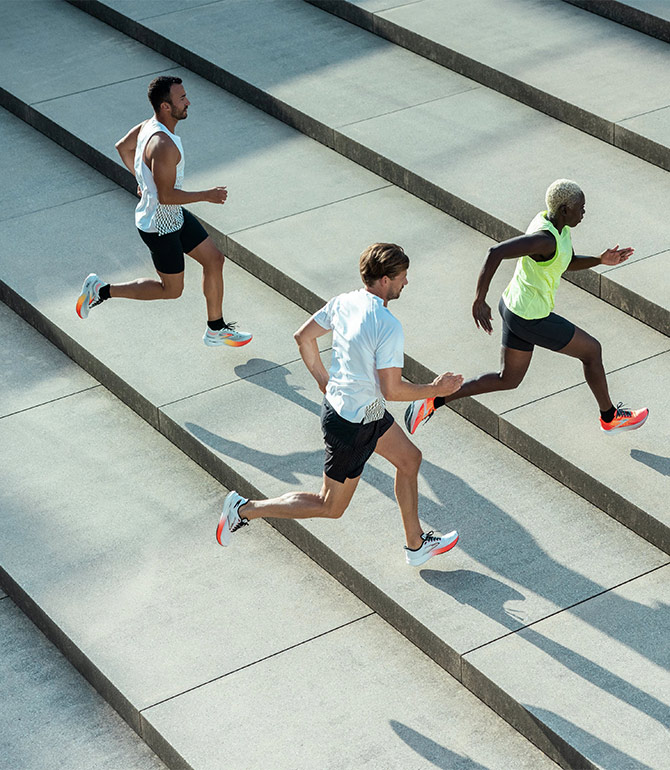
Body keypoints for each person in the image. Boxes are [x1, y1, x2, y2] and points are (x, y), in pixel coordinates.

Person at [216, 243, 464, 566]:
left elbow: (303, 338)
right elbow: (392, 389)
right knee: (329, 506)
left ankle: (416, 545)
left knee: (410, 460)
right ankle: (243, 509)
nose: (407, 282)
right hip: (351, 426)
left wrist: (322, 379)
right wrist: (435, 388)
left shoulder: (345, 302)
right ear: (386, 280)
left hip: (361, 411)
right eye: (403, 276)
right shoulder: (387, 326)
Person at [405, 179, 648, 435]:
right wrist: (479, 299)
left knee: (508, 379)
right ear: (564, 209)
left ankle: (434, 399)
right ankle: (610, 417)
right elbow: (495, 252)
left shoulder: (556, 227)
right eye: (581, 207)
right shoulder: (544, 239)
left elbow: (564, 261)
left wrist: (599, 259)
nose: (584, 211)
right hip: (531, 317)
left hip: (514, 307)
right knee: (591, 350)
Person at [75, 75, 251, 347]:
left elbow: (122, 147)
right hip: (159, 225)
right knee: (171, 290)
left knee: (214, 260)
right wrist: (208, 195)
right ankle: (101, 290)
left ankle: (215, 329)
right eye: (181, 98)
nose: (188, 101)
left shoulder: (149, 125)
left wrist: (142, 180)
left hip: (173, 216)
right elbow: (167, 196)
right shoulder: (163, 145)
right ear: (166, 106)